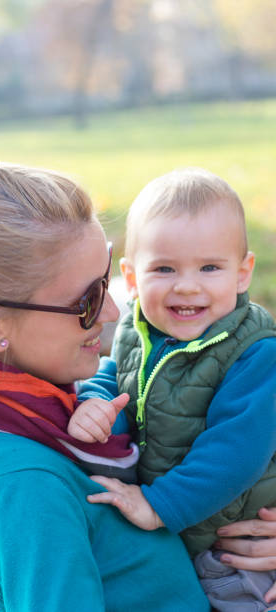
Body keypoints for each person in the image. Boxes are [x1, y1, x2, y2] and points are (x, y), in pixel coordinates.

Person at [0, 160, 211, 612]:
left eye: (107, 281)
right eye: (87, 299)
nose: (111, 313)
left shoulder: (37, 410)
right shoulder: (22, 486)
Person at [68, 167, 276, 611]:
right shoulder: (134, 331)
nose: (187, 284)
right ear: (132, 277)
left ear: (243, 273)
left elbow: (235, 451)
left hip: (241, 550)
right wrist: (94, 401)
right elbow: (118, 376)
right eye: (164, 268)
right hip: (190, 535)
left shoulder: (255, 355)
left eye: (209, 267)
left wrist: (158, 505)